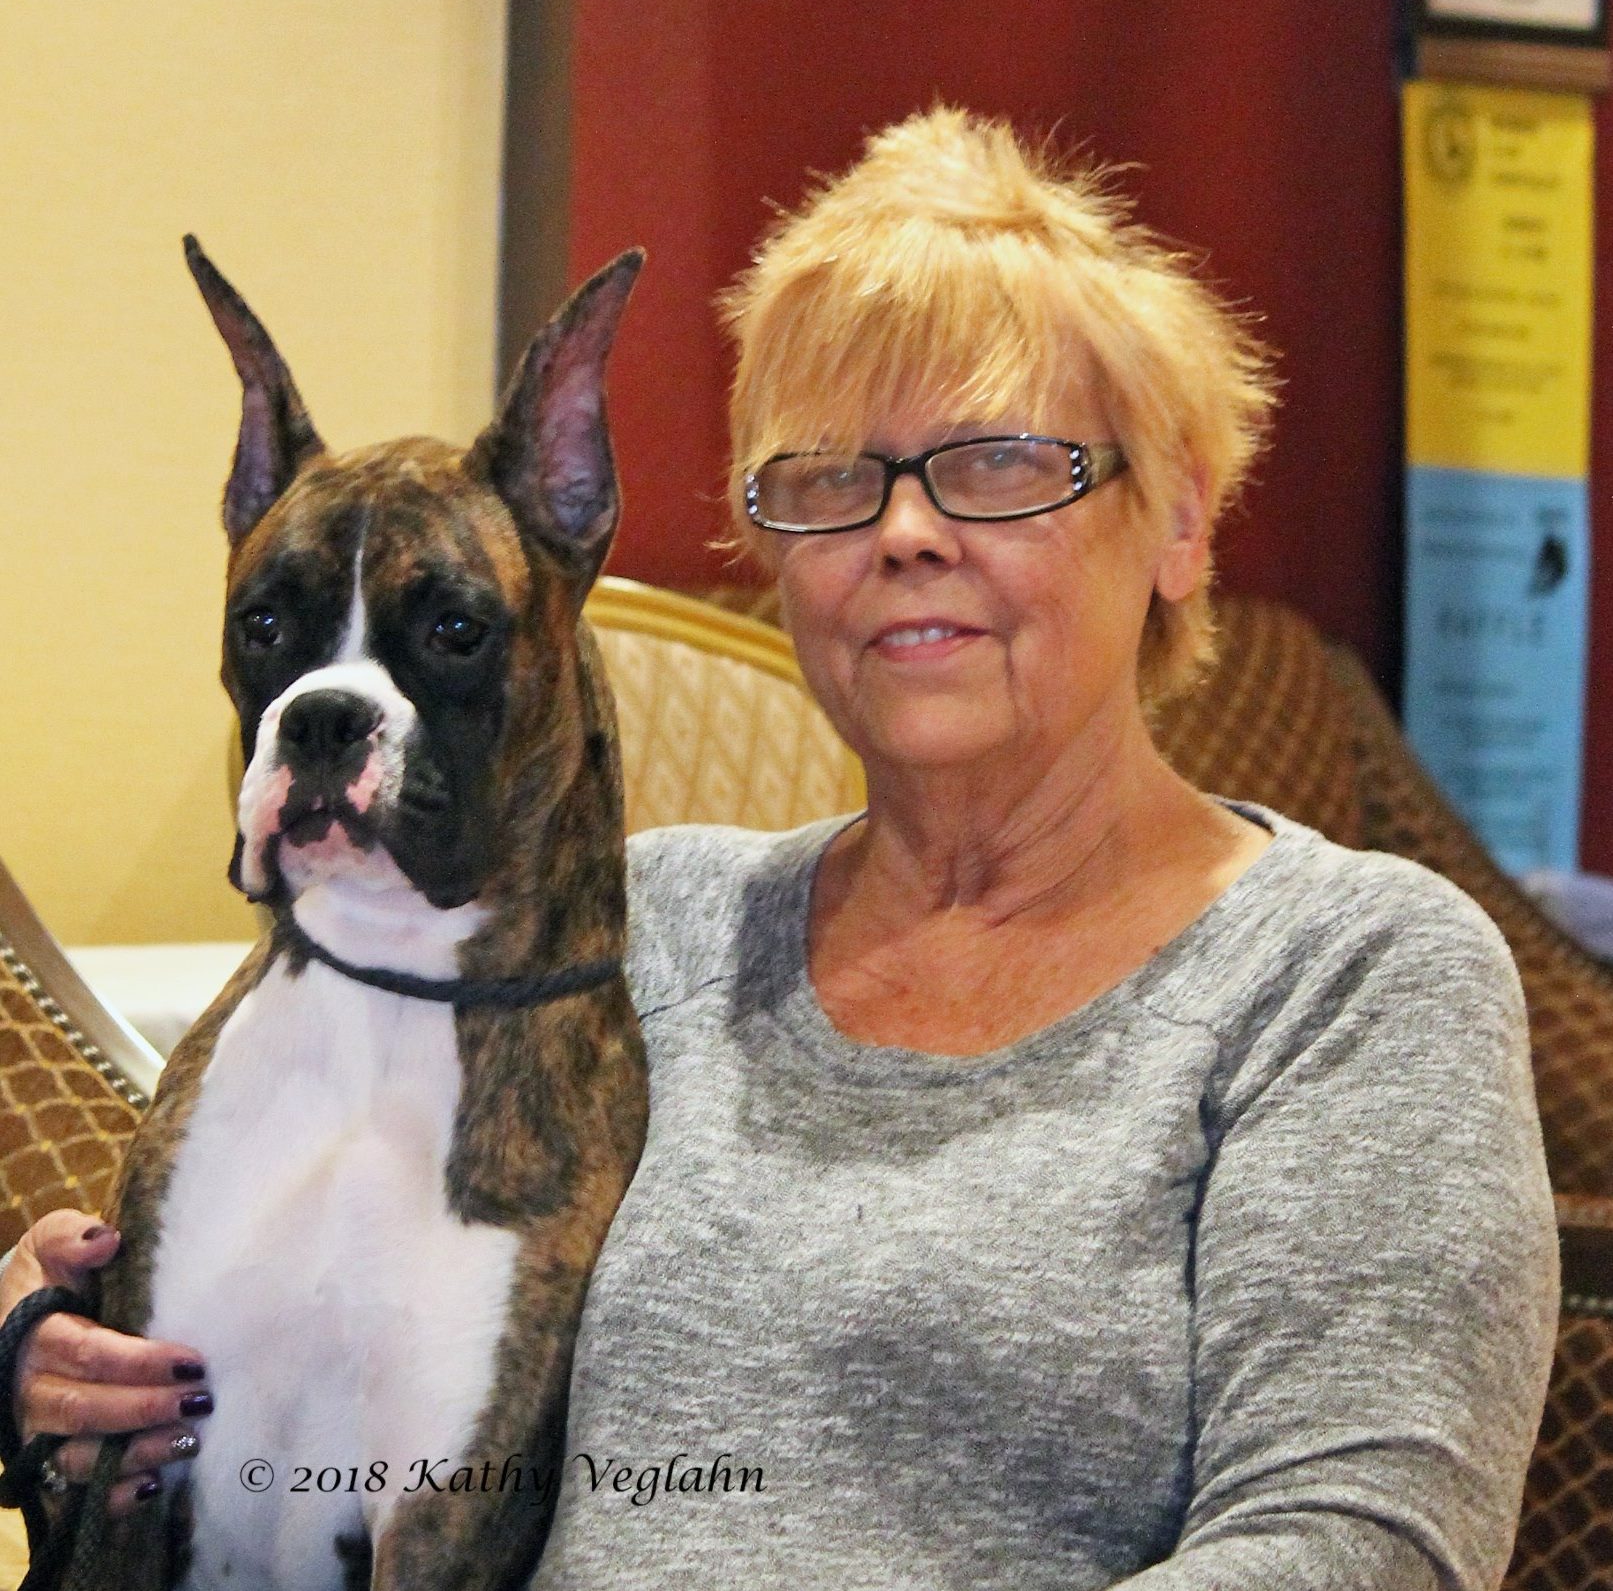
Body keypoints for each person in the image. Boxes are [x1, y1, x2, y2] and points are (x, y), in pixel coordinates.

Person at [3, 108, 1558, 1589]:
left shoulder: (1350, 975)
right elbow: (285, 1327)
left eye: (999, 462)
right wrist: (53, 1355)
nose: (904, 530)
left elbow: (1359, 1545)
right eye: (829, 479)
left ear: (1178, 523)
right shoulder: (637, 928)